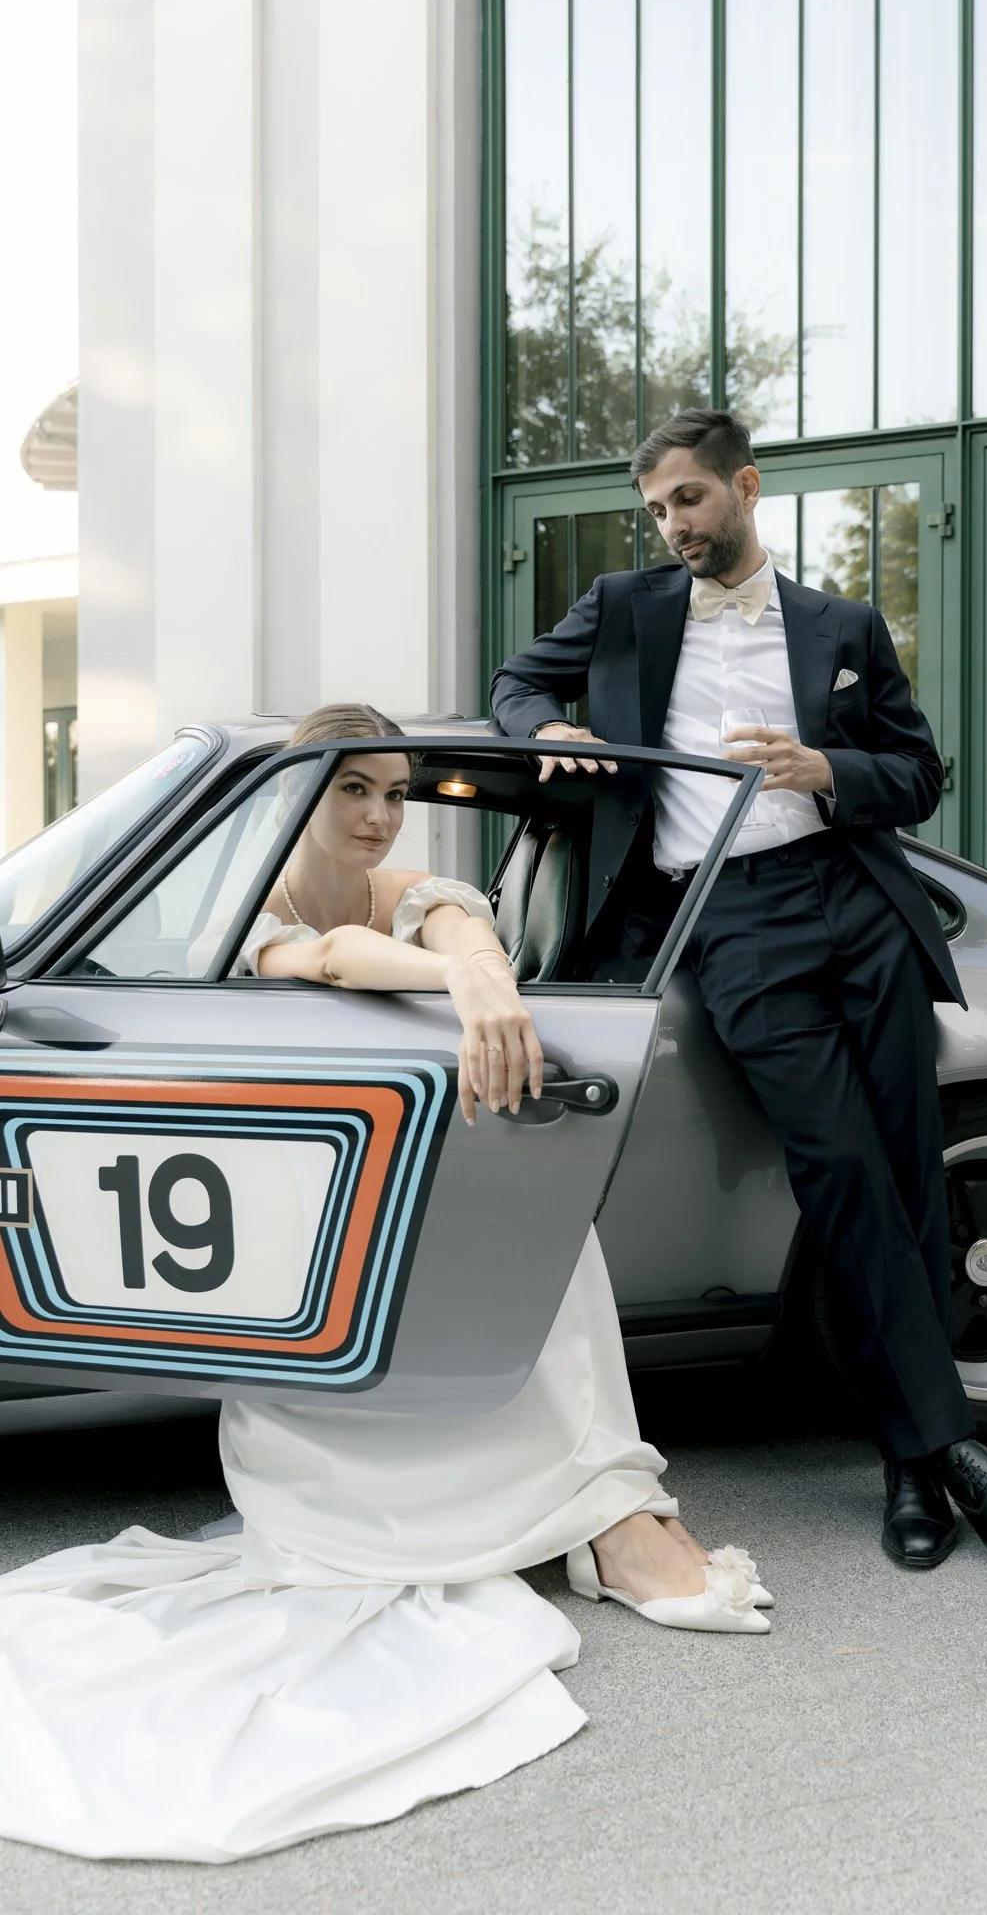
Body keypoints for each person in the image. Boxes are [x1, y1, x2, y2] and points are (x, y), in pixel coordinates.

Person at [0, 703, 769, 1866]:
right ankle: (578, 1517)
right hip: (304, 1237)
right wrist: (458, 976)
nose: (375, 813)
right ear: (297, 799)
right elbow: (322, 960)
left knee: (543, 1216)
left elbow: (455, 924)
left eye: (391, 791)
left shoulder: (408, 884)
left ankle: (606, 1508)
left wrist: (475, 966)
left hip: (389, 1182)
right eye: (349, 788)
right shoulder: (250, 911)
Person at [491, 410, 987, 1577]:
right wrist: (547, 723)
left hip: (858, 907)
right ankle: (954, 1454)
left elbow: (918, 774)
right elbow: (511, 684)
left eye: (689, 500)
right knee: (839, 1167)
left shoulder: (842, 625)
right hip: (729, 919)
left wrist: (827, 769)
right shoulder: (624, 604)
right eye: (656, 509)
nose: (673, 524)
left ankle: (912, 1466)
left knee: (906, 1169)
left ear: (745, 486)